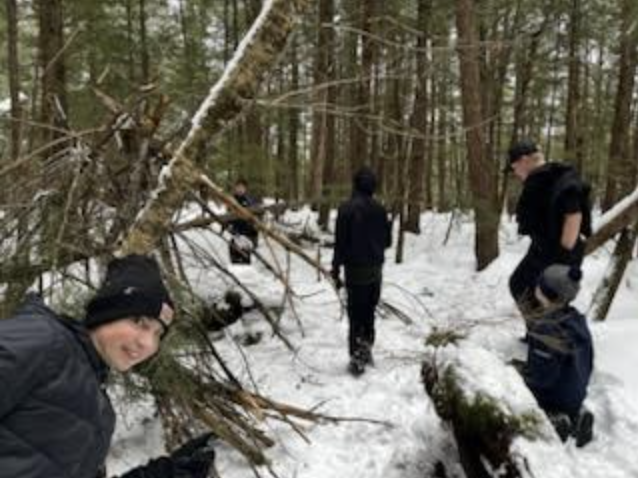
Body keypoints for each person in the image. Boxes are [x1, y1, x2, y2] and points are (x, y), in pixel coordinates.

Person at [0, 254, 216, 478]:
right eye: (139, 323)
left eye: (158, 334)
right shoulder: (42, 340)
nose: (148, 343)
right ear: (108, 312)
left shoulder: (100, 412)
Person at [506, 139, 592, 319]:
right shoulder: (540, 179)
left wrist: (563, 255)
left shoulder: (559, 177)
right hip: (542, 249)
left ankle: (555, 341)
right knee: (520, 285)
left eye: (514, 167)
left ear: (524, 160)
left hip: (560, 251)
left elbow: (574, 215)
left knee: (552, 298)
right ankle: (540, 335)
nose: (515, 173)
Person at [521, 264, 594, 447]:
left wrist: (523, 380)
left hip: (555, 395)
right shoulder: (577, 320)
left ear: (546, 294)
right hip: (577, 391)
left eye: (540, 285)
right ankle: (578, 415)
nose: (536, 287)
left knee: (519, 385)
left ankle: (554, 420)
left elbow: (543, 377)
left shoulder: (547, 329)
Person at [331, 166, 392, 376]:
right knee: (369, 311)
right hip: (375, 270)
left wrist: (335, 269)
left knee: (356, 314)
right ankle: (365, 349)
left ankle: (358, 356)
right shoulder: (380, 209)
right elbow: (388, 242)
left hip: (355, 272)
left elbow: (339, 243)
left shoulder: (345, 209)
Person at [228, 178, 260, 264]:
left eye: (241, 187)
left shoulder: (250, 201)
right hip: (236, 235)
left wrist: (254, 237)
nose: (239, 189)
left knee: (245, 262)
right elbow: (227, 217)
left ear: (245, 188)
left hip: (247, 235)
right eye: (238, 187)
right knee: (235, 261)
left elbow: (255, 219)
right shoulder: (232, 200)